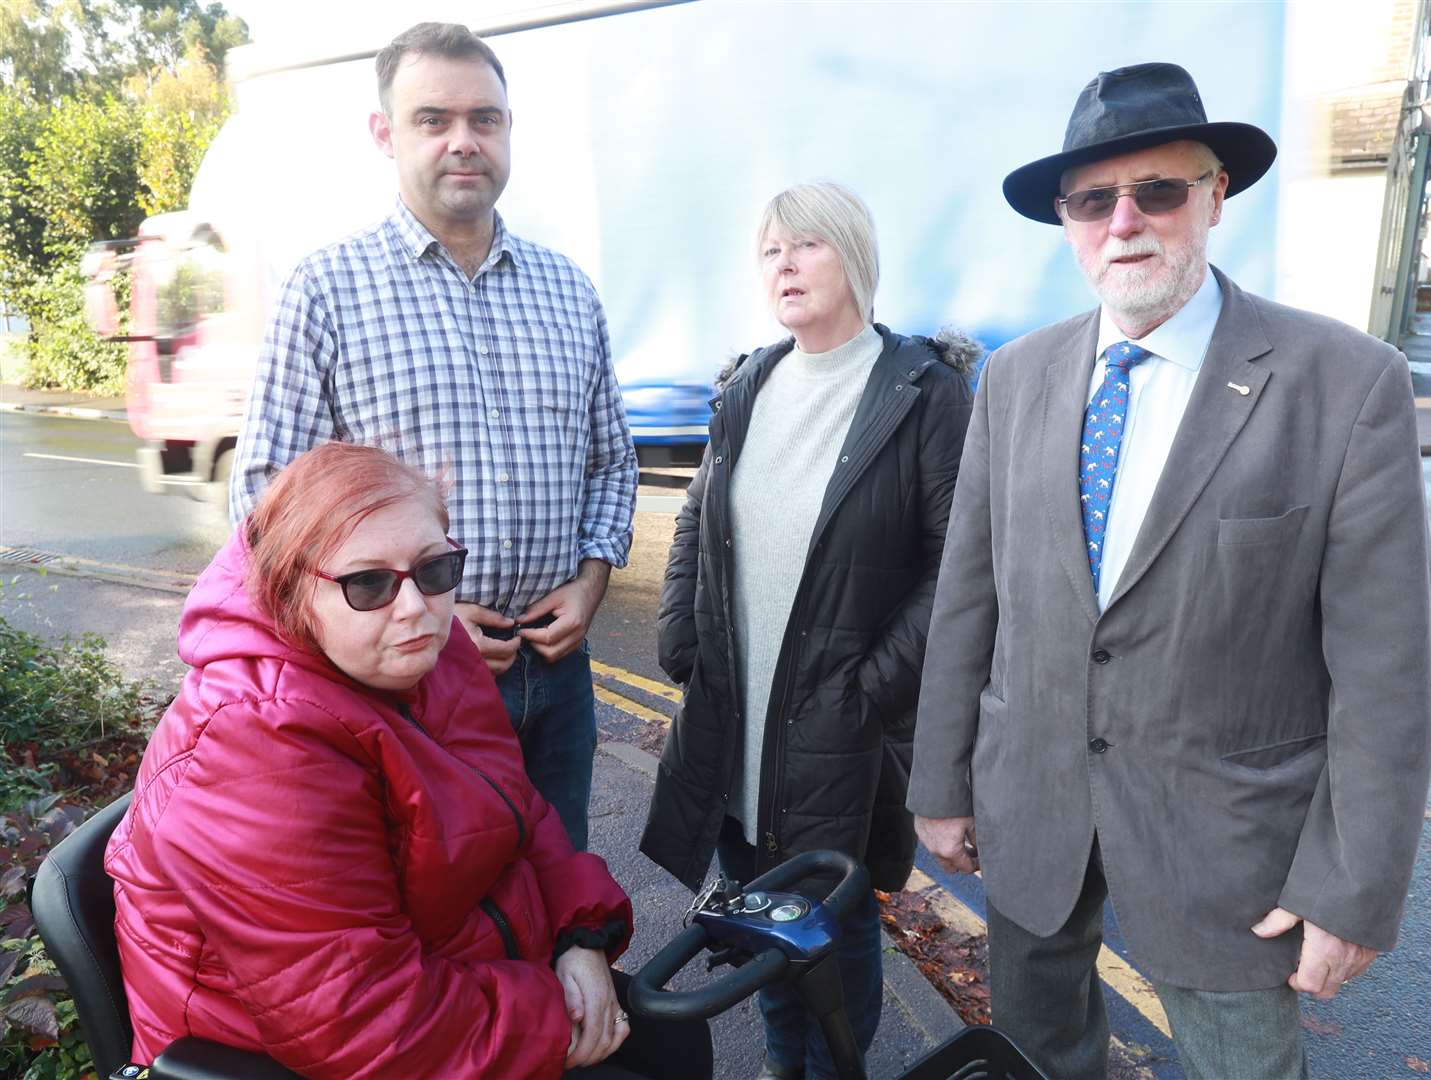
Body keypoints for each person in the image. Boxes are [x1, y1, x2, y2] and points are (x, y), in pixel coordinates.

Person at [908, 62, 1431, 1080]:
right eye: (1091, 200)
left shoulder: (1342, 384)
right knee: (1037, 1055)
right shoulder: (1013, 379)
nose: (1123, 222)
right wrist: (938, 782)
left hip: (1230, 854)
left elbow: (1383, 671)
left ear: (1213, 196)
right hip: (1033, 818)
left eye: (1156, 190)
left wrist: (1350, 885)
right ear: (1065, 220)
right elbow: (967, 601)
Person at [106, 442, 709, 1080]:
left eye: (434, 570)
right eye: (368, 583)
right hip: (283, 1051)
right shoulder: (256, 747)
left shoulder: (424, 653)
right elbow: (358, 1020)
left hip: (448, 968)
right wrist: (557, 1016)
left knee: (676, 1043)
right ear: (288, 588)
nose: (415, 607)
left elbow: (519, 815)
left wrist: (577, 936)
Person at [228, 22, 638, 851]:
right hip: (408, 688)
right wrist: (422, 623)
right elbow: (268, 501)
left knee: (561, 891)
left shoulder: (567, 292)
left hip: (556, 677)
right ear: (385, 134)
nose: (463, 141)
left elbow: (611, 461)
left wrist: (592, 580)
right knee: (441, 919)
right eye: (433, 119)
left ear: (508, 131)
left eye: (484, 119)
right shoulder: (329, 291)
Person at [641, 181, 974, 1080]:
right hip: (733, 724)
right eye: (769, 250)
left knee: (835, 931)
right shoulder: (747, 384)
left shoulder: (921, 391)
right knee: (758, 923)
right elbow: (694, 522)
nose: (784, 264)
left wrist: (868, 689)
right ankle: (786, 1067)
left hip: (837, 728)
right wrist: (681, 640)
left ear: (853, 255)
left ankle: (828, 1070)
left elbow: (958, 562)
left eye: (807, 245)